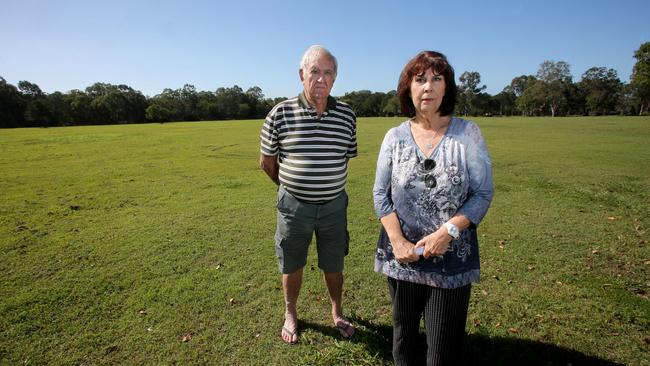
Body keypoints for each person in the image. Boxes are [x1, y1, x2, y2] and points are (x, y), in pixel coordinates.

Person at [373, 51, 493, 365]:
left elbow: (482, 193)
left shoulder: (467, 134)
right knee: (403, 343)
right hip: (403, 259)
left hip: (450, 260)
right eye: (420, 79)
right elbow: (380, 194)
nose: (428, 87)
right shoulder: (395, 137)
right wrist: (398, 242)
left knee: (441, 351)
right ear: (408, 89)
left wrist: (449, 231)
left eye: (436, 79)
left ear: (447, 88)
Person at [259, 45, 358, 344]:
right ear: (302, 74)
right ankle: (291, 313)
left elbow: (344, 158)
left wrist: (324, 183)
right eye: (315, 71)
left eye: (328, 73)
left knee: (334, 263)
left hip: (333, 207)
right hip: (294, 207)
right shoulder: (280, 113)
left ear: (335, 79)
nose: (321, 79)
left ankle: (337, 312)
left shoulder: (347, 116)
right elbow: (266, 162)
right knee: (292, 262)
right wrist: (291, 186)